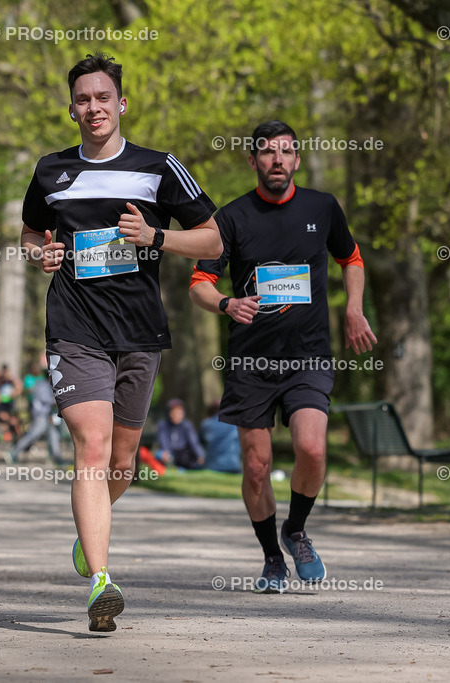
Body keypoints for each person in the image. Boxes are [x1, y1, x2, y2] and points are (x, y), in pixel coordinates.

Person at [19, 52, 221, 631]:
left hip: (137, 331)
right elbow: (32, 234)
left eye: (103, 98)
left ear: (121, 103)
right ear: (71, 109)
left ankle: (89, 534)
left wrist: (156, 235)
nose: (93, 108)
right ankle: (101, 583)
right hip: (74, 328)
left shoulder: (158, 168)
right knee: (92, 443)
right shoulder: (51, 172)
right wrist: (41, 254)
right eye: (83, 100)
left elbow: (211, 241)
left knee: (123, 462)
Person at [190, 120, 377, 592]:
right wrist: (228, 304)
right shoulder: (230, 218)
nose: (278, 160)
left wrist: (354, 310)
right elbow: (199, 284)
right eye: (268, 152)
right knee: (255, 466)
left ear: (297, 160)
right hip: (251, 361)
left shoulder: (322, 207)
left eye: (286, 152)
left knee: (312, 449)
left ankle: (296, 530)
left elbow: (351, 259)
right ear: (252, 161)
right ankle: (272, 557)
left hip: (308, 355)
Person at [8, 365, 61, 464]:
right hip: (40, 414)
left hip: (49, 414)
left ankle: (57, 458)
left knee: (54, 434)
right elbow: (48, 400)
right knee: (35, 433)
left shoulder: (48, 384)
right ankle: (14, 452)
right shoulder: (42, 385)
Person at [155, 398, 205, 470]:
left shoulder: (187, 426)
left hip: (183, 455)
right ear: (169, 413)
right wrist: (166, 452)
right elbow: (162, 441)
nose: (176, 415)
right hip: (169, 454)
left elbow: (194, 442)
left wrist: (200, 455)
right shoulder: (163, 425)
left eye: (179, 412)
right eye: (174, 412)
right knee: (159, 454)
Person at [199, 401, 241, 473]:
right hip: (232, 464)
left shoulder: (206, 424)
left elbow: (200, 443)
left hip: (211, 466)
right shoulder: (235, 424)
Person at [0, 363, 22, 439]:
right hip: (3, 403)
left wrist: (13, 394)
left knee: (14, 421)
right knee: (2, 417)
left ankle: (18, 436)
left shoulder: (12, 379)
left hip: (11, 402)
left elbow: (19, 389)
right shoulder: (0, 379)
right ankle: (6, 434)